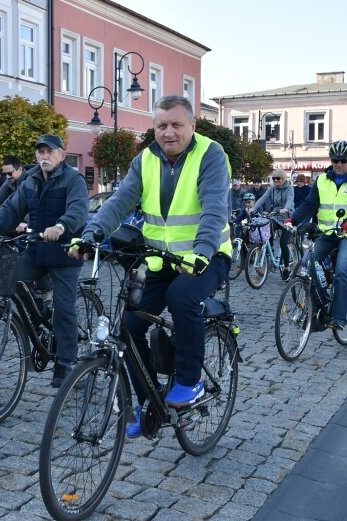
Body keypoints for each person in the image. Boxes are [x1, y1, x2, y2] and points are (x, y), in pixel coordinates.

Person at [70, 95, 231, 438]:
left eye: (176, 125)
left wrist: (202, 250)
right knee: (129, 324)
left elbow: (215, 206)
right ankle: (148, 402)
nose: (168, 132)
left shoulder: (210, 154)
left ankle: (191, 380)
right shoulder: (145, 160)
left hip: (208, 256)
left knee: (182, 298)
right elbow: (121, 200)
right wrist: (92, 234)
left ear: (192, 125)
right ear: (153, 127)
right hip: (162, 259)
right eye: (161, 125)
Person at [0, 134, 88, 388]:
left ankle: (65, 364)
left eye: (49, 152)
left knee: (65, 308)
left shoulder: (73, 179)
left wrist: (61, 226)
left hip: (67, 252)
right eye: (40, 152)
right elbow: (11, 208)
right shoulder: (31, 180)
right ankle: (41, 317)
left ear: (61, 154)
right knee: (12, 280)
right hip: (37, 249)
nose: (44, 156)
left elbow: (79, 210)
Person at [288, 139, 347, 331]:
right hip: (327, 233)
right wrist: (293, 219)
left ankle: (338, 318)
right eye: (335, 160)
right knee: (307, 264)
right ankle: (317, 310)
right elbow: (310, 203)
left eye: (343, 160)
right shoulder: (321, 180)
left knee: (341, 269)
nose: (339, 164)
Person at [249, 168, 294, 280]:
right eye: (274, 178)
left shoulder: (289, 189)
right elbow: (263, 198)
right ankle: (270, 251)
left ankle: (287, 268)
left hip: (288, 218)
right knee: (266, 228)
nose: (276, 180)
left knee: (284, 243)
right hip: (276, 215)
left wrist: (286, 209)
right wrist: (253, 208)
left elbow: (290, 200)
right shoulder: (272, 189)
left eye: (278, 178)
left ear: (283, 178)